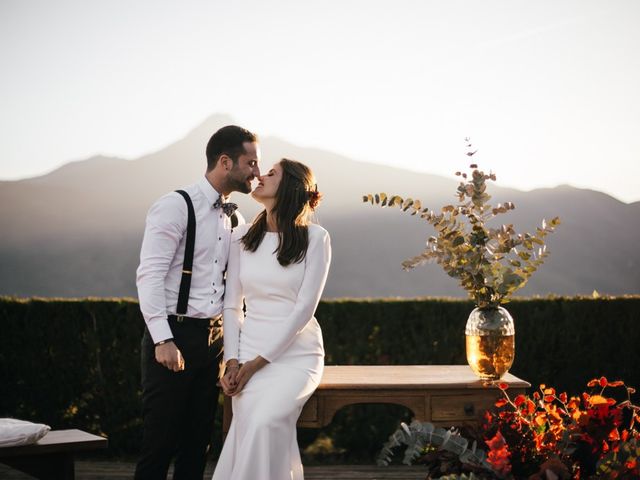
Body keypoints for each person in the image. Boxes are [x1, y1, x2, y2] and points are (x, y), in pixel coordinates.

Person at [135, 125, 260, 480]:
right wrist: (162, 339)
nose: (256, 171)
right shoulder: (175, 205)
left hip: (215, 342)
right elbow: (150, 276)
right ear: (225, 162)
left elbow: (235, 295)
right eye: (250, 162)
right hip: (174, 335)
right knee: (158, 443)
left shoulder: (237, 218)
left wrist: (233, 352)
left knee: (197, 445)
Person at [212, 158, 331, 480]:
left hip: (296, 354)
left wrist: (256, 364)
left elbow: (304, 310)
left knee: (266, 421)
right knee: (251, 422)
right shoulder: (241, 237)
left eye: (271, 173)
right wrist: (233, 362)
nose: (260, 176)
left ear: (291, 186)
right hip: (248, 350)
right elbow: (233, 306)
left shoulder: (316, 239)